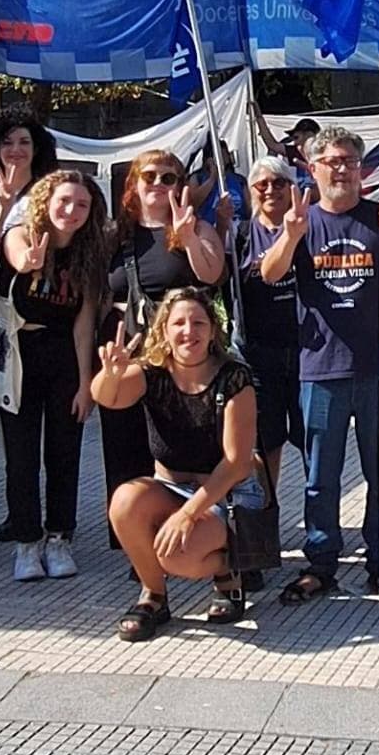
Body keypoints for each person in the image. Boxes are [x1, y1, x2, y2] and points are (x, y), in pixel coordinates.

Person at [258, 125, 379, 605]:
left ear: (363, 169)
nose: (341, 169)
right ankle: (321, 564)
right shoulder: (302, 221)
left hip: (377, 370)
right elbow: (270, 275)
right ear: (312, 169)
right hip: (320, 369)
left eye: (349, 162)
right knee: (321, 475)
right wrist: (290, 236)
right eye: (331, 161)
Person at [95, 288, 260, 639]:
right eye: (179, 323)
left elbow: (236, 463)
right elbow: (107, 398)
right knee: (124, 501)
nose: (190, 331)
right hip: (170, 486)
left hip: (226, 496)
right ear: (164, 332)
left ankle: (231, 569)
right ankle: (153, 595)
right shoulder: (153, 372)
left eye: (199, 322)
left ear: (213, 331)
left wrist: (187, 515)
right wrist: (110, 374)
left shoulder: (234, 378)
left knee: (177, 556)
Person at [99, 150, 224, 547]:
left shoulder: (195, 227)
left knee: (180, 449)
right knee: (124, 446)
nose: (158, 184)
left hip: (180, 360)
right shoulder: (114, 235)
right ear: (133, 185)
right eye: (149, 176)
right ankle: (134, 537)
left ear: (181, 185)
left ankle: (185, 532)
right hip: (127, 354)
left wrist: (188, 239)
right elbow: (95, 299)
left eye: (168, 178)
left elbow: (212, 273)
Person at [0, 169, 109, 581]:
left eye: (81, 204)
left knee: (64, 452)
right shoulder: (22, 233)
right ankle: (26, 543)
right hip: (21, 353)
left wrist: (85, 383)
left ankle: (59, 537)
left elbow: (84, 325)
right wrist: (27, 260)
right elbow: (15, 253)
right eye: (63, 201)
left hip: (64, 354)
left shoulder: (88, 254)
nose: (71, 210)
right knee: (20, 454)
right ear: (46, 201)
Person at [240, 156, 306, 491]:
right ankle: (265, 522)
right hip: (259, 354)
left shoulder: (310, 228)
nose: (270, 190)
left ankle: (320, 525)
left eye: (279, 182)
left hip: (307, 350)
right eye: (261, 184)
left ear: (292, 187)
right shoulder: (239, 235)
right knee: (264, 444)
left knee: (313, 440)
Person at [0, 107, 59, 254]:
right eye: (7, 143)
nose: (15, 149)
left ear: (35, 149)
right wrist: (3, 210)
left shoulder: (51, 194)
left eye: (24, 142)